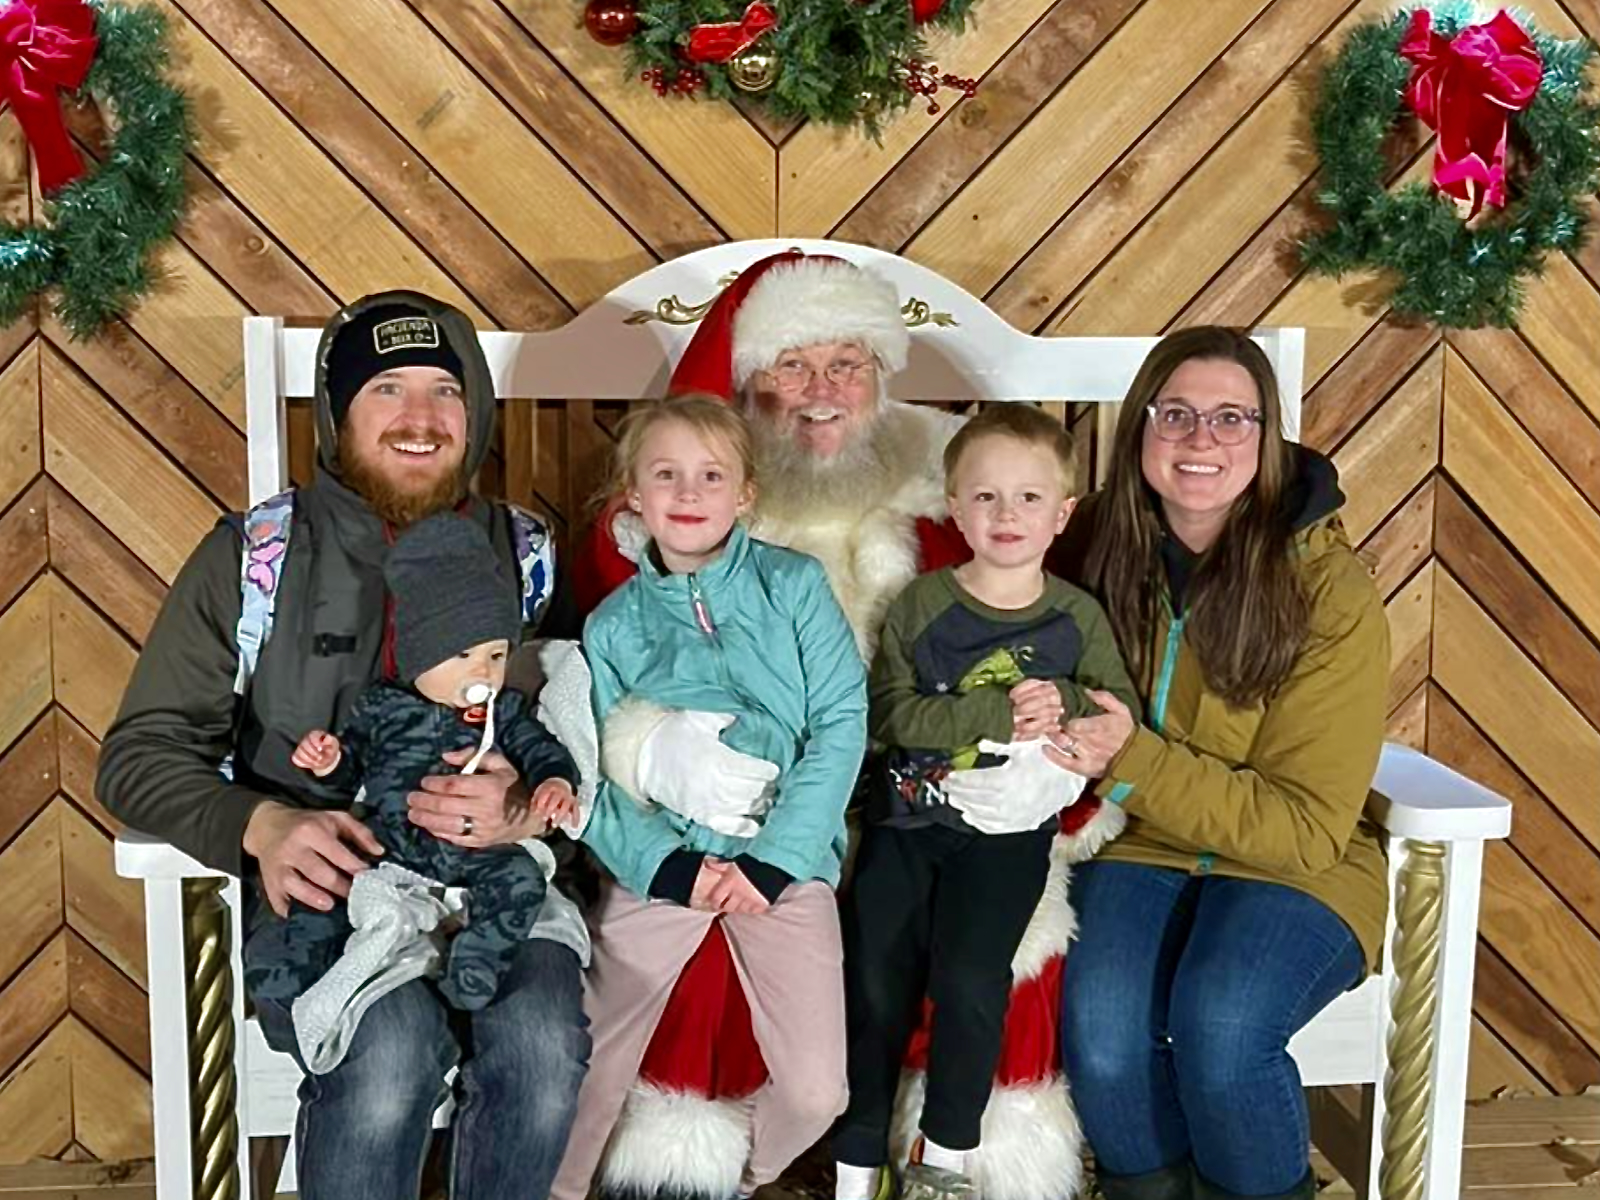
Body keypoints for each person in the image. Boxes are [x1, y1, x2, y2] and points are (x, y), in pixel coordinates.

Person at [579, 252, 1121, 1200]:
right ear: (747, 385)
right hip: (754, 813)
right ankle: (681, 1180)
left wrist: (1055, 772)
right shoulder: (692, 513)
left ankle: (961, 1171)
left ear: (883, 376)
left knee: (1011, 932)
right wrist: (652, 750)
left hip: (938, 805)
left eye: (848, 364)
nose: (822, 392)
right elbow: (595, 672)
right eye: (793, 365)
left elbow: (1057, 658)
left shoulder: (961, 495)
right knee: (701, 932)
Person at [97, 292, 592, 1200]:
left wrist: (525, 799)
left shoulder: (525, 555)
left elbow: (574, 720)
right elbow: (139, 753)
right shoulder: (258, 557)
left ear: (474, 411)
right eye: (387, 391)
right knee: (389, 1050)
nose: (419, 419)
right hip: (333, 899)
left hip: (493, 889)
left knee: (543, 1045)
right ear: (338, 416)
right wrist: (260, 825)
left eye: (445, 390)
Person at [1050, 327, 1389, 1200]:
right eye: (1178, 415)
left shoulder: (1327, 590)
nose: (1203, 440)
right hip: (1136, 845)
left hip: (1296, 867)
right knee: (1100, 1023)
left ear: (1268, 439)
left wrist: (1131, 757)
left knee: (1223, 1022)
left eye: (1232, 417)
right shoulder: (1090, 546)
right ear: (1141, 433)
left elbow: (1310, 827)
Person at [553, 395, 867, 1200]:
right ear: (634, 494)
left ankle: (735, 1182)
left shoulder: (793, 587)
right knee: (588, 1063)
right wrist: (665, 867)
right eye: (666, 475)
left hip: (781, 870)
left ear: (745, 493)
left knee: (817, 1089)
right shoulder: (615, 627)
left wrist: (774, 863)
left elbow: (838, 723)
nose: (688, 493)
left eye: (710, 475)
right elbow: (595, 775)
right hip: (665, 868)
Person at [835, 404, 1142, 1200]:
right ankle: (857, 1156)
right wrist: (994, 713)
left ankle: (944, 1158)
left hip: (1008, 839)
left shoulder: (1076, 617)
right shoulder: (922, 605)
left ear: (1062, 513)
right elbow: (892, 715)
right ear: (954, 504)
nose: (1007, 516)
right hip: (909, 822)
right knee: (874, 976)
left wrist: (1066, 707)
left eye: (1029, 499)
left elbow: (1117, 713)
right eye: (986, 497)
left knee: (972, 979)